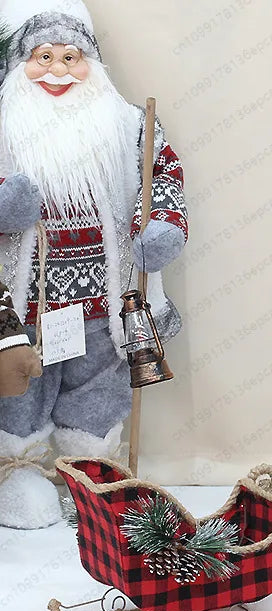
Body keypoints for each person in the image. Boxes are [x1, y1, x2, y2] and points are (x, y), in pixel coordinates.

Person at [0, 0, 188, 529]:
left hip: (104, 301)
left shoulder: (129, 125)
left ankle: (92, 471)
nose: (58, 71)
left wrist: (162, 228)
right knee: (24, 385)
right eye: (43, 57)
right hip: (26, 306)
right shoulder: (3, 124)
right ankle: (19, 472)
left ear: (93, 63)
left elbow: (162, 177)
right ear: (20, 64)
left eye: (71, 57)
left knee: (99, 384)